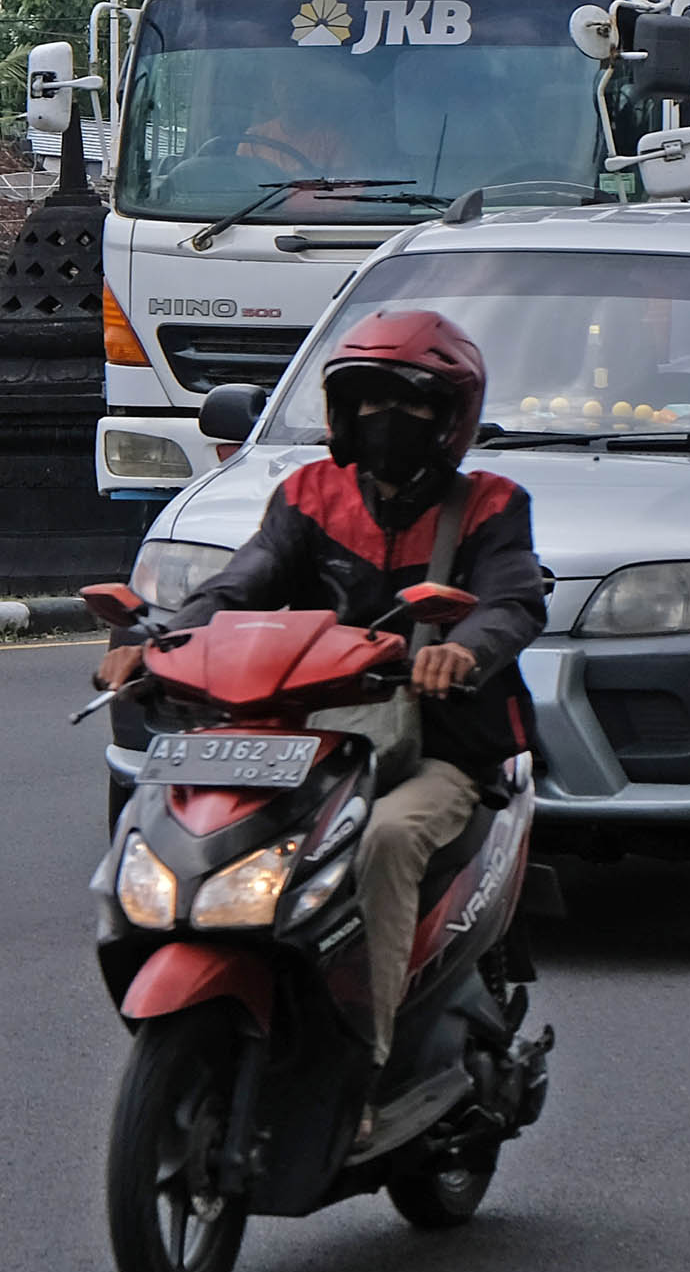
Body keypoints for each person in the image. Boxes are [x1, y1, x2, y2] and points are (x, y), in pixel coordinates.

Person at [94, 307, 541, 1099]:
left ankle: (373, 1059)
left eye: (408, 404)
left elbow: (510, 602)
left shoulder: (490, 507)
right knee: (199, 817)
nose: (384, 420)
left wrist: (460, 650)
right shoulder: (308, 495)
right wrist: (158, 643)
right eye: (367, 401)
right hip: (309, 738)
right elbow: (241, 584)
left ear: (450, 418)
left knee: (388, 841)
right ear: (341, 411)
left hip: (438, 747)